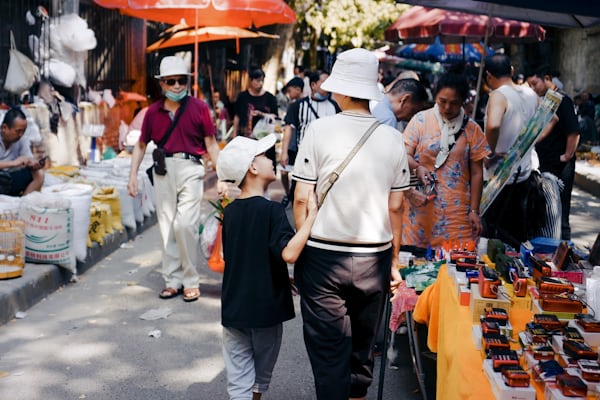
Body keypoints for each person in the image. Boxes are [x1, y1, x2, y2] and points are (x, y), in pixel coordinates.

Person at [292, 48, 409, 400]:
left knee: (328, 352)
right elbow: (397, 205)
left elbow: (301, 198)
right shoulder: (392, 137)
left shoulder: (319, 129)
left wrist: (300, 246)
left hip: (323, 257)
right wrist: (395, 260)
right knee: (361, 349)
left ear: (339, 89)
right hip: (374, 257)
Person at [216, 134, 317, 400]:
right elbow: (289, 254)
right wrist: (310, 219)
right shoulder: (272, 211)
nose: (270, 160)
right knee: (260, 377)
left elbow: (244, 255)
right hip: (266, 309)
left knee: (239, 381)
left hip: (234, 307)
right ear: (252, 168)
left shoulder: (230, 213)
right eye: (264, 156)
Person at [127, 56, 227, 302]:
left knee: (185, 224)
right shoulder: (152, 112)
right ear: (162, 84)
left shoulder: (200, 108)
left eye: (181, 81)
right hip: (163, 170)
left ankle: (191, 280)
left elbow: (211, 145)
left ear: (187, 82)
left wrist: (223, 177)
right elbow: (140, 146)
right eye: (171, 81)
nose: (176, 86)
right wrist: (133, 176)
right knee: (166, 226)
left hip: (192, 168)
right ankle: (172, 280)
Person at [402, 72, 489, 249]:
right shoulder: (420, 121)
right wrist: (418, 168)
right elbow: (403, 155)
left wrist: (474, 211)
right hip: (420, 207)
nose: (448, 107)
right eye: (442, 101)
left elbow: (477, 173)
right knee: (416, 263)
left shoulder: (472, 130)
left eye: (454, 103)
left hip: (456, 213)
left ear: (464, 101)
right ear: (435, 97)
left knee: (455, 262)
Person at [482, 54, 541, 247]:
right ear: (512, 71)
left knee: (496, 238)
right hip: (525, 174)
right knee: (517, 237)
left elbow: (492, 126)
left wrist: (487, 152)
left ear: (488, 75)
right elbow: (552, 119)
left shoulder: (498, 95)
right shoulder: (530, 94)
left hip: (499, 178)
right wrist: (530, 142)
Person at [527, 65, 580, 240]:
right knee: (548, 210)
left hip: (560, 165)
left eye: (535, 83)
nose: (533, 89)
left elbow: (573, 131)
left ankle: (564, 248)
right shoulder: (545, 100)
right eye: (530, 86)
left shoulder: (562, 100)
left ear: (547, 78)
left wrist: (567, 155)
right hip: (546, 163)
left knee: (561, 212)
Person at [280, 71, 340, 206]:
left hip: (326, 158)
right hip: (304, 156)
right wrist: (284, 152)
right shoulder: (298, 106)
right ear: (313, 85)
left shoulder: (334, 107)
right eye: (323, 82)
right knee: (300, 192)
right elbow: (289, 128)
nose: (328, 85)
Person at [0, 108, 45, 196]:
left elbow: (28, 159)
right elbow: (17, 163)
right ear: (4, 128)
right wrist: (13, 163)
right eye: (17, 131)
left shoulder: (22, 139)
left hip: (10, 179)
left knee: (38, 174)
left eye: (23, 131)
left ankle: (24, 202)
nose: (21, 134)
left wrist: (34, 164)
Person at [278, 76, 305, 204]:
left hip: (299, 146)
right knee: (284, 172)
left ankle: (294, 197)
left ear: (298, 90)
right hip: (291, 146)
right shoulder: (292, 105)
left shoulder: (305, 105)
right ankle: (288, 194)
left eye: (290, 91)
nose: (288, 94)